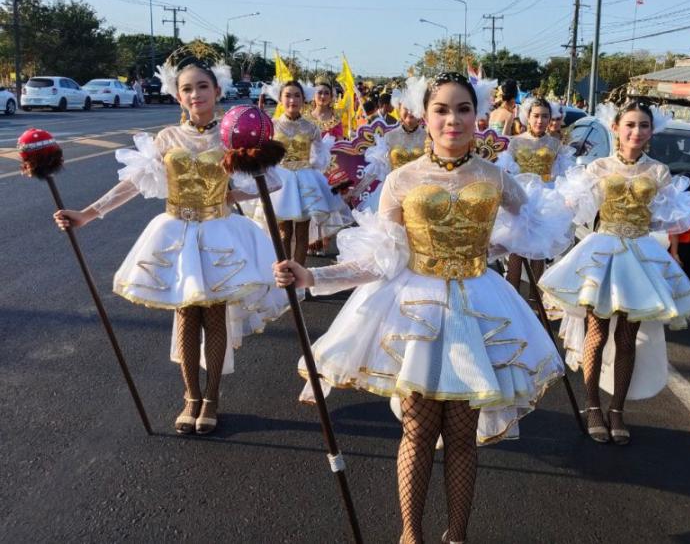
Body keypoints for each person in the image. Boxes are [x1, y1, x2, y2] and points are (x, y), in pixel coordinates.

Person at [273, 72, 570, 544]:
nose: (453, 119)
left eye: (463, 109)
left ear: (478, 114)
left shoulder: (497, 177)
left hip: (477, 308)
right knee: (416, 431)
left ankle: (457, 536)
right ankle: (410, 535)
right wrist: (314, 277)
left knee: (462, 436)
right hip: (415, 310)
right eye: (442, 110)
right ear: (425, 116)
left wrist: (491, 247)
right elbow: (380, 258)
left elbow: (534, 228)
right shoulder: (402, 179)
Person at [53, 57, 286, 435]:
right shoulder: (166, 138)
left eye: (202, 87)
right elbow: (132, 183)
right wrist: (87, 214)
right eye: (187, 89)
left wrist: (230, 194)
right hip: (177, 233)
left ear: (217, 91)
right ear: (178, 97)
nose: (195, 95)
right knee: (186, 315)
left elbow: (272, 180)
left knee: (214, 316)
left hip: (218, 233)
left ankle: (212, 399)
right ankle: (190, 397)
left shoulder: (230, 135)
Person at [539, 101, 690, 445]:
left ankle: (617, 410)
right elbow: (575, 206)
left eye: (643, 126)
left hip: (640, 255)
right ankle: (593, 406)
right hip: (603, 253)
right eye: (630, 125)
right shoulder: (598, 167)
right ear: (615, 128)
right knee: (596, 334)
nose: (636, 132)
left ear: (651, 131)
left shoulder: (659, 171)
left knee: (627, 339)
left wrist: (673, 252)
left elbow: (669, 218)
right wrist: (554, 211)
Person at [256, 80, 350, 269]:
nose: (292, 100)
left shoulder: (311, 127)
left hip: (306, 182)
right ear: (280, 99)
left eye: (297, 95)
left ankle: (298, 274)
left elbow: (321, 158)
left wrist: (314, 171)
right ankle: (285, 274)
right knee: (283, 233)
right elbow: (263, 155)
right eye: (288, 96)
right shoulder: (271, 126)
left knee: (301, 233)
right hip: (280, 183)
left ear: (303, 99)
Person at [497, 96, 575, 301]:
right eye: (536, 116)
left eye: (545, 116)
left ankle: (535, 300)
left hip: (545, 200)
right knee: (516, 250)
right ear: (528, 117)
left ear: (551, 118)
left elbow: (564, 173)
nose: (540, 120)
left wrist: (567, 194)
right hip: (520, 198)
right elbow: (504, 170)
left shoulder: (555, 144)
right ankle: (512, 298)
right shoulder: (515, 142)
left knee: (539, 251)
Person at [352, 81, 428, 212]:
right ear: (399, 108)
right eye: (406, 108)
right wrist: (354, 192)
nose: (410, 112)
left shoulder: (429, 138)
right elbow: (376, 169)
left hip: (420, 194)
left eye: (414, 108)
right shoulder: (389, 136)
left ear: (421, 111)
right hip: (392, 193)